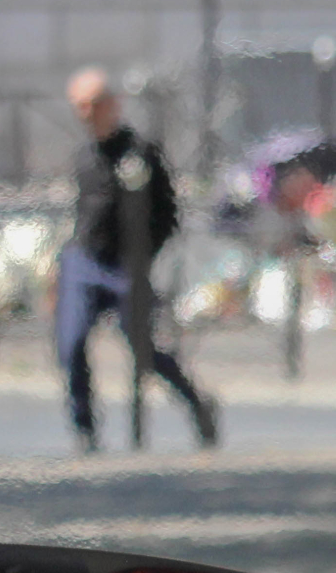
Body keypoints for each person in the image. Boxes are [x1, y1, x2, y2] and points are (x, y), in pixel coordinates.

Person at [56, 68, 218, 453]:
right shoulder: (84, 156)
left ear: (112, 105)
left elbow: (168, 213)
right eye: (79, 106)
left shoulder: (139, 154)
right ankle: (85, 429)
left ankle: (196, 402)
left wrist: (145, 256)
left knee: (142, 346)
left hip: (127, 265)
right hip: (86, 260)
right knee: (72, 341)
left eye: (92, 105)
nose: (85, 114)